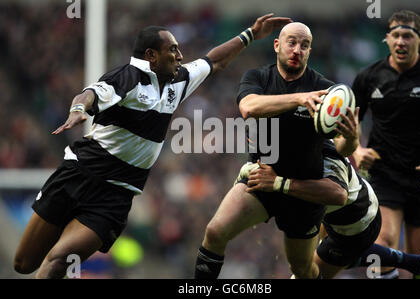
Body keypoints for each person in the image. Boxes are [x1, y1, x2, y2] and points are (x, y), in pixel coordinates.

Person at [13, 13, 293, 279]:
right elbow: (89, 94)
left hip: (115, 196)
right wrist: (78, 109)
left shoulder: (177, 82)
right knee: (23, 263)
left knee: (61, 258)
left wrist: (250, 35)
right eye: (173, 50)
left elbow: (213, 62)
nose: (180, 56)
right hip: (78, 175)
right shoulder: (127, 78)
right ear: (151, 56)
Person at [194, 22, 334, 279]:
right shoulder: (257, 77)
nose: (297, 50)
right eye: (291, 42)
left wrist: (351, 136)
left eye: (304, 45)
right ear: (277, 45)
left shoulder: (325, 89)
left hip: (302, 191)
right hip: (261, 179)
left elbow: (339, 146)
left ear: (310, 52)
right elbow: (249, 107)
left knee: (302, 269)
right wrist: (299, 98)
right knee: (215, 232)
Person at [244, 138, 420, 279]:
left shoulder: (309, 156)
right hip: (347, 212)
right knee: (334, 259)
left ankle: (415, 263)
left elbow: (337, 194)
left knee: (308, 273)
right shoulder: (297, 142)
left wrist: (280, 185)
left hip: (357, 221)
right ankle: (416, 263)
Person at [351, 10, 420, 279]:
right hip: (385, 174)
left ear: (419, 40)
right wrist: (357, 149)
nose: (401, 41)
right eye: (395, 35)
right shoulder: (369, 77)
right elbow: (348, 122)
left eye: (408, 35)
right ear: (387, 39)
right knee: (383, 243)